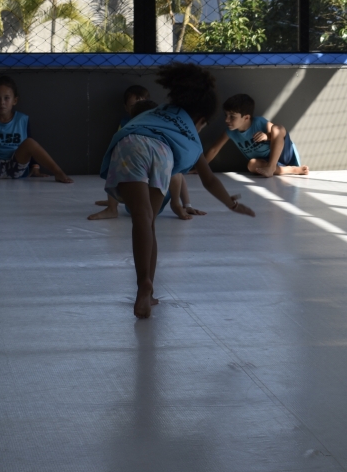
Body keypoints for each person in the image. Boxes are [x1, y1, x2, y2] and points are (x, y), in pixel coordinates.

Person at [101, 62, 255, 319]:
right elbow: (209, 180)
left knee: (140, 218)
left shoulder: (159, 111)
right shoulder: (191, 137)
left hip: (130, 145)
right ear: (201, 120)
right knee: (149, 221)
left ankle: (143, 283)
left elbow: (138, 115)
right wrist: (232, 204)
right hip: (162, 153)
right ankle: (147, 288)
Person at [90, 99, 208, 221]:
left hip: (153, 198)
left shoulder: (162, 138)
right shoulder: (133, 135)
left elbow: (179, 175)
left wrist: (186, 205)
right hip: (137, 200)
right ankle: (112, 207)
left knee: (173, 169)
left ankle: (175, 204)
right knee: (121, 161)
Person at [0, 76, 72, 184]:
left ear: (15, 100)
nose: (2, 102)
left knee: (30, 142)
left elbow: (31, 147)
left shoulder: (22, 119)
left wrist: (35, 167)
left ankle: (58, 172)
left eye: (6, 98)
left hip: (16, 166)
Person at [203, 93, 309, 177]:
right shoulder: (230, 132)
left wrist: (267, 136)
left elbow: (278, 134)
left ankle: (271, 167)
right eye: (226, 115)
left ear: (246, 118)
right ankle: (291, 170)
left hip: (282, 154)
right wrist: (200, 168)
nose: (227, 120)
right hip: (265, 163)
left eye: (232, 116)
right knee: (251, 165)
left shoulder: (258, 122)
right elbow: (214, 149)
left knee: (277, 128)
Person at [90, 87, 153, 219]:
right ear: (126, 107)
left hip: (147, 162)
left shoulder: (153, 123)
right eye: (133, 106)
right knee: (114, 167)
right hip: (128, 159)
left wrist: (186, 204)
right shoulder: (125, 123)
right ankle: (112, 207)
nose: (137, 110)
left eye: (141, 105)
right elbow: (119, 141)